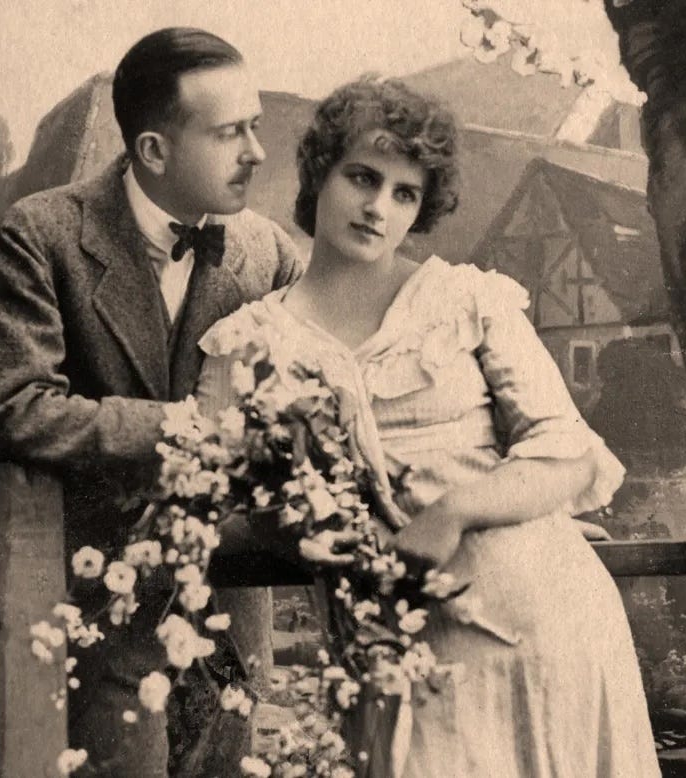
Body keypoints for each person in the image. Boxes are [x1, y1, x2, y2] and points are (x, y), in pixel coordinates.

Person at [195, 76, 661, 777]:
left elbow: (564, 449)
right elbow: (222, 496)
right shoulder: (245, 345)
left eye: (404, 193)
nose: (379, 207)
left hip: (546, 626)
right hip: (396, 652)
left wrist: (456, 509)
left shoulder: (465, 300)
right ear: (320, 173)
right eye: (363, 177)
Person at [0, 27, 303, 777]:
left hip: (223, 598)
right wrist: (183, 427)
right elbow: (13, 407)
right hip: (80, 593)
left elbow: (302, 405)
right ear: (153, 151)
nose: (257, 152)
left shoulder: (267, 251)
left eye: (256, 127)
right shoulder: (41, 234)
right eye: (230, 132)